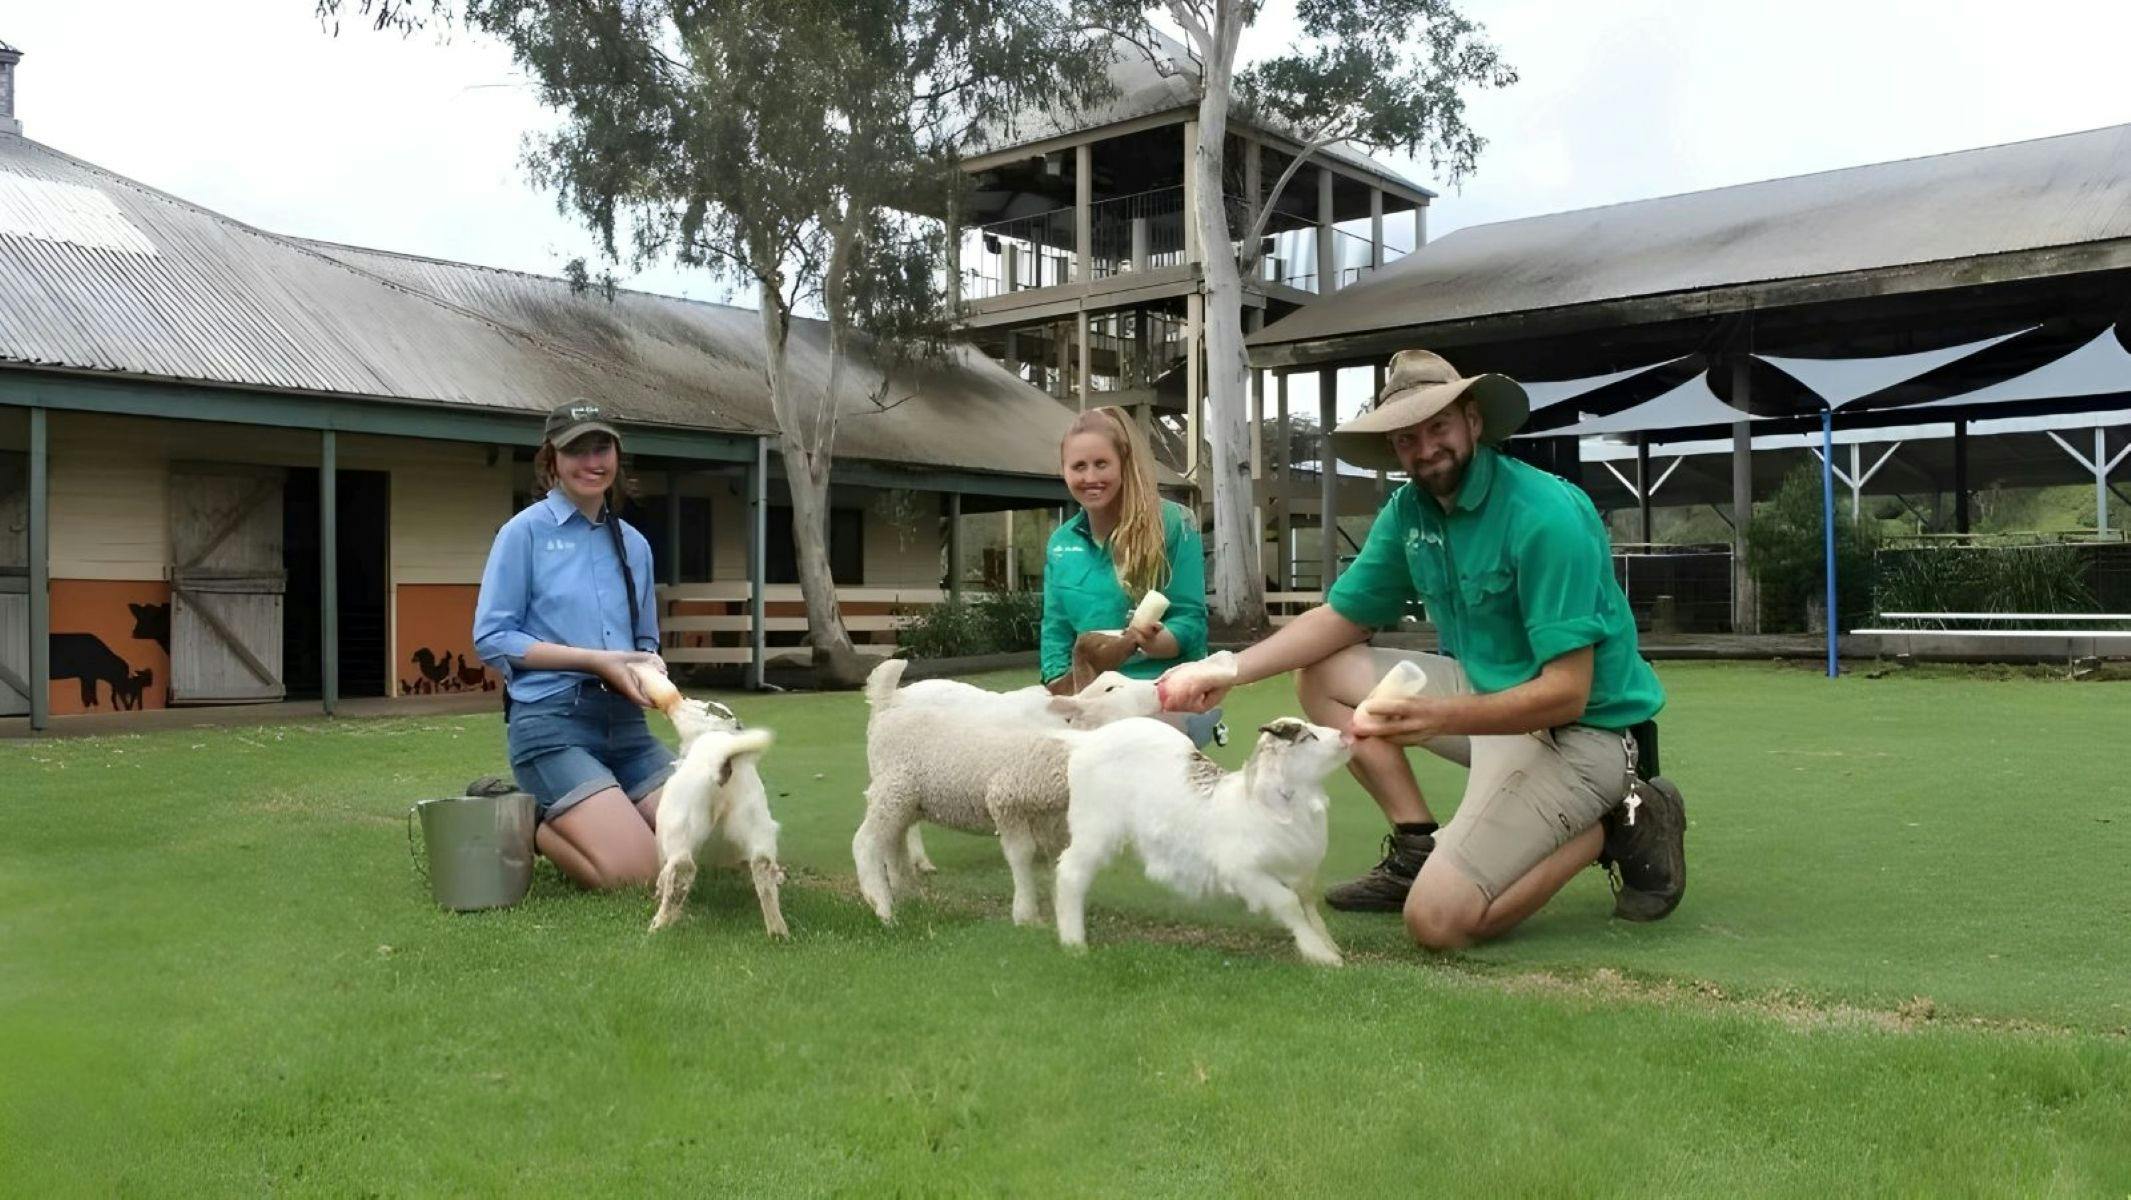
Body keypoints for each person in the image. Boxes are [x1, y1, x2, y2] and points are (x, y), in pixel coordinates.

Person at [1158, 349, 1687, 950]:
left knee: (1436, 923)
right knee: (1322, 674)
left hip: (1583, 735)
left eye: (1439, 427)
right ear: (1393, 448)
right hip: (1493, 705)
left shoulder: (1544, 516)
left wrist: (1435, 717)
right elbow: (1342, 617)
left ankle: (1612, 823)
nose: (1426, 446)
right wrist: (1230, 669)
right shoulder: (1408, 511)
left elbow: (1567, 695)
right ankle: (1416, 845)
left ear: (1473, 423)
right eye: (1407, 437)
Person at [474, 399, 674, 891]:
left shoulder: (635, 545)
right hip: (552, 723)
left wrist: (650, 666)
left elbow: (643, 637)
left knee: (698, 838)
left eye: (601, 447)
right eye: (576, 450)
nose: (592, 462)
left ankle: (607, 810)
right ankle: (534, 826)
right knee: (639, 874)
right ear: (552, 461)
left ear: (617, 454)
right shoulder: (523, 534)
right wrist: (596, 661)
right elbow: (492, 638)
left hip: (627, 728)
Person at [1040, 405, 1224, 746]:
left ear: (1124, 465)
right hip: (1089, 695)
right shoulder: (1060, 543)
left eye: (1101, 464)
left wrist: (1153, 642)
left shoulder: (1174, 524)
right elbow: (1055, 634)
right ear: (1064, 470)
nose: (1090, 477)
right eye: (1078, 466)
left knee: (1134, 758)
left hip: (1160, 689)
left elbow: (1190, 623)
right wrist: (1062, 691)